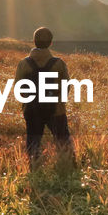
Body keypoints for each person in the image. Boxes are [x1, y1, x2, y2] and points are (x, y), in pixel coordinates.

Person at [16, 26, 74, 168]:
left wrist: (30, 101)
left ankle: (34, 169)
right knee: (62, 140)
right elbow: (67, 86)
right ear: (51, 43)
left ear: (34, 41)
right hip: (56, 110)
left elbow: (19, 87)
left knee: (33, 142)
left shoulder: (24, 64)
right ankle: (69, 167)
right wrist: (58, 102)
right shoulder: (59, 63)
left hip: (32, 108)